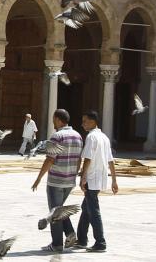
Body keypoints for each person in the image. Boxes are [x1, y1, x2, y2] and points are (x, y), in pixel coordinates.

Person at [30, 108, 83, 253]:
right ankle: (71, 234)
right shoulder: (78, 136)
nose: (53, 122)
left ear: (59, 120)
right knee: (59, 210)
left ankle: (57, 244)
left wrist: (38, 179)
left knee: (54, 213)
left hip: (56, 181)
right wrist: (74, 174)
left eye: (54, 119)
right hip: (69, 181)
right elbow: (79, 159)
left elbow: (49, 160)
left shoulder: (56, 136)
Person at [76, 110, 118, 252]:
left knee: (93, 210)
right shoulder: (104, 137)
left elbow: (87, 158)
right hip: (100, 179)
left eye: (85, 121)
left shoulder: (91, 137)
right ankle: (81, 239)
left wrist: (83, 177)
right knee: (86, 208)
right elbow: (111, 160)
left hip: (91, 178)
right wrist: (114, 180)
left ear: (93, 121)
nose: (83, 124)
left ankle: (100, 242)